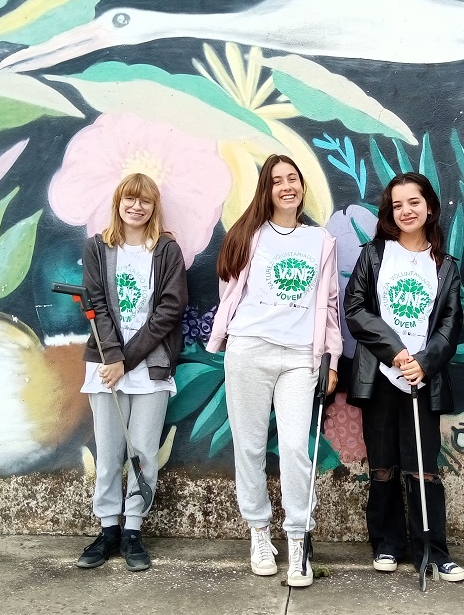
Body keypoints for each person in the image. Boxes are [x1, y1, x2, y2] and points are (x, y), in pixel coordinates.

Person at [207, 153, 341, 587]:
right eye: (277, 180)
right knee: (248, 446)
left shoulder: (321, 241)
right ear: (265, 189)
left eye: (293, 179)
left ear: (302, 188)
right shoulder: (249, 235)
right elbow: (230, 292)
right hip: (249, 350)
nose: (287, 186)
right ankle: (259, 533)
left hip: (300, 356)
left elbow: (332, 306)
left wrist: (331, 359)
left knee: (296, 450)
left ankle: (299, 539)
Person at [344, 172, 464, 582]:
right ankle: (386, 543)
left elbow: (450, 323)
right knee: (382, 464)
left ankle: (431, 549)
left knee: (422, 467)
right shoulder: (375, 255)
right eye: (397, 205)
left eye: (413, 202)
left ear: (429, 206)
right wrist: (396, 352)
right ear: (389, 213)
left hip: (422, 378)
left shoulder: (445, 265)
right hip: (381, 376)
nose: (406, 211)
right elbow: (356, 309)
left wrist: (425, 361)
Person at [76, 172, 188, 572]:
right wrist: (112, 357)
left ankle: (133, 532)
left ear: (154, 206)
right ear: (118, 203)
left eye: (145, 201)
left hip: (151, 366)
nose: (136, 207)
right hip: (106, 368)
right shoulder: (97, 248)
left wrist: (128, 357)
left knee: (143, 453)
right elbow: (97, 306)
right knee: (108, 454)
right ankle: (107, 529)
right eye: (129, 199)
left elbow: (170, 309)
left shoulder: (166, 250)